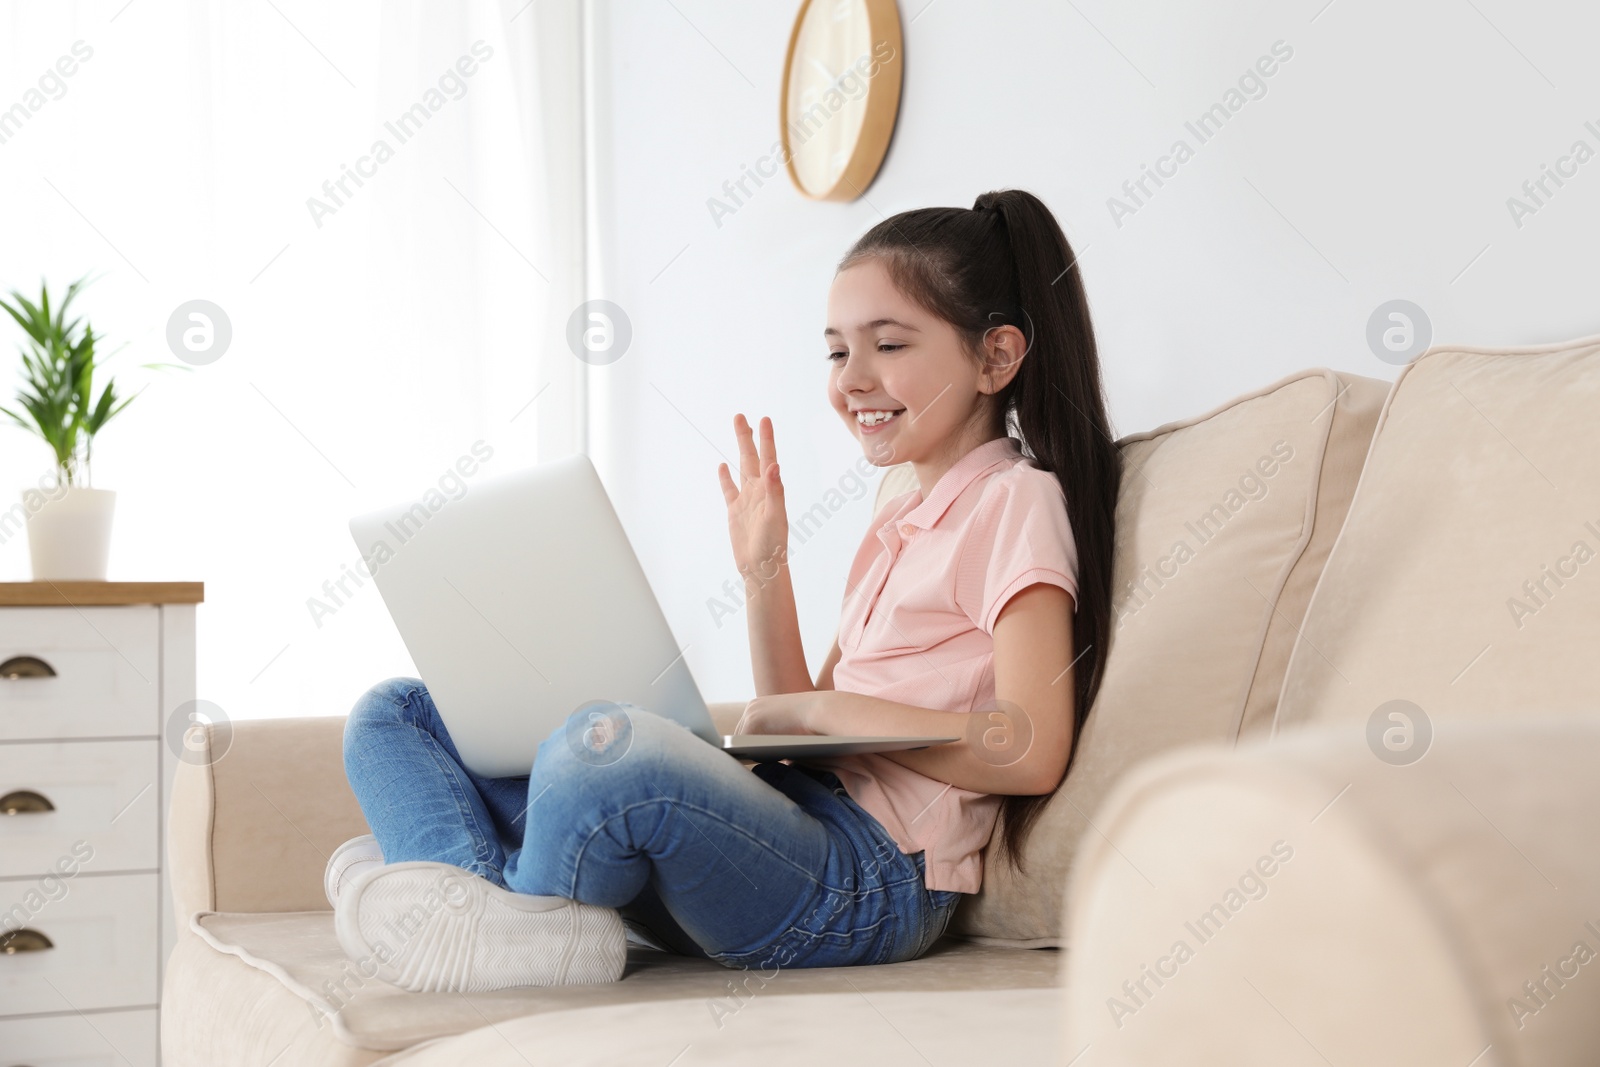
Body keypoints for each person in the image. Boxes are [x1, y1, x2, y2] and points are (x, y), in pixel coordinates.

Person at [335, 188, 1121, 994]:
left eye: (887, 344)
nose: (853, 380)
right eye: (836, 352)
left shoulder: (1016, 500)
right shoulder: (902, 515)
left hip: (872, 879)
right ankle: (480, 903)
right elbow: (793, 717)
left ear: (996, 357)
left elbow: (1029, 746)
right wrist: (764, 573)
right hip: (791, 820)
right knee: (395, 711)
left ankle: (458, 890)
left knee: (600, 750)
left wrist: (836, 714)